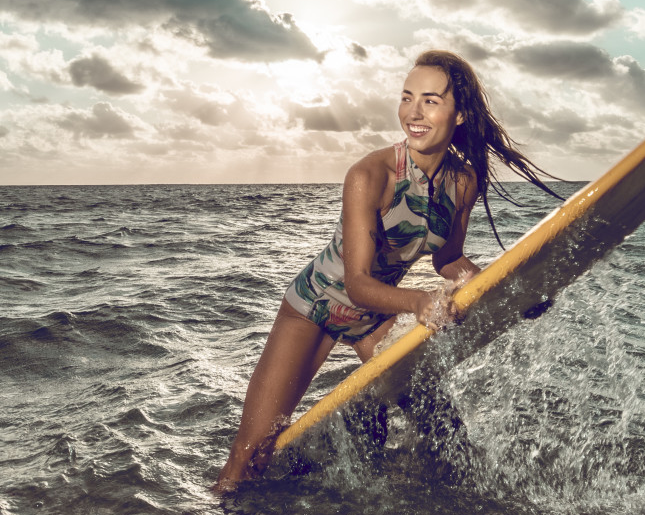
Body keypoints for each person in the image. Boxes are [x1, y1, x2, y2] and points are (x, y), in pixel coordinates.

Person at [212, 49, 558, 492]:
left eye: (430, 101)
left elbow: (448, 259)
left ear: (460, 115)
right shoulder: (370, 174)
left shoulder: (464, 181)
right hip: (316, 306)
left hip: (375, 316)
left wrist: (509, 292)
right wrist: (419, 303)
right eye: (407, 97)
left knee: (442, 428)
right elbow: (356, 284)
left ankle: (462, 510)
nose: (413, 112)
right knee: (249, 454)